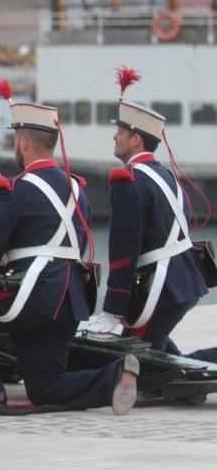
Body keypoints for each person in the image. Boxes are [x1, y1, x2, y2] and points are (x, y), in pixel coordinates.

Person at [0, 94, 139, 413]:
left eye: (16, 139)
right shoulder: (77, 189)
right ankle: (114, 377)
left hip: (31, 295)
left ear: (24, 142)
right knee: (43, 387)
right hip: (70, 301)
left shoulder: (16, 190)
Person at [87, 68, 213, 361]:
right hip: (181, 282)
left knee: (129, 364)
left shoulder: (129, 180)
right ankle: (185, 388)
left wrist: (112, 310)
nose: (114, 136)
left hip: (164, 289)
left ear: (136, 139)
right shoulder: (162, 174)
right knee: (157, 354)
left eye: (120, 131)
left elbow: (122, 251)